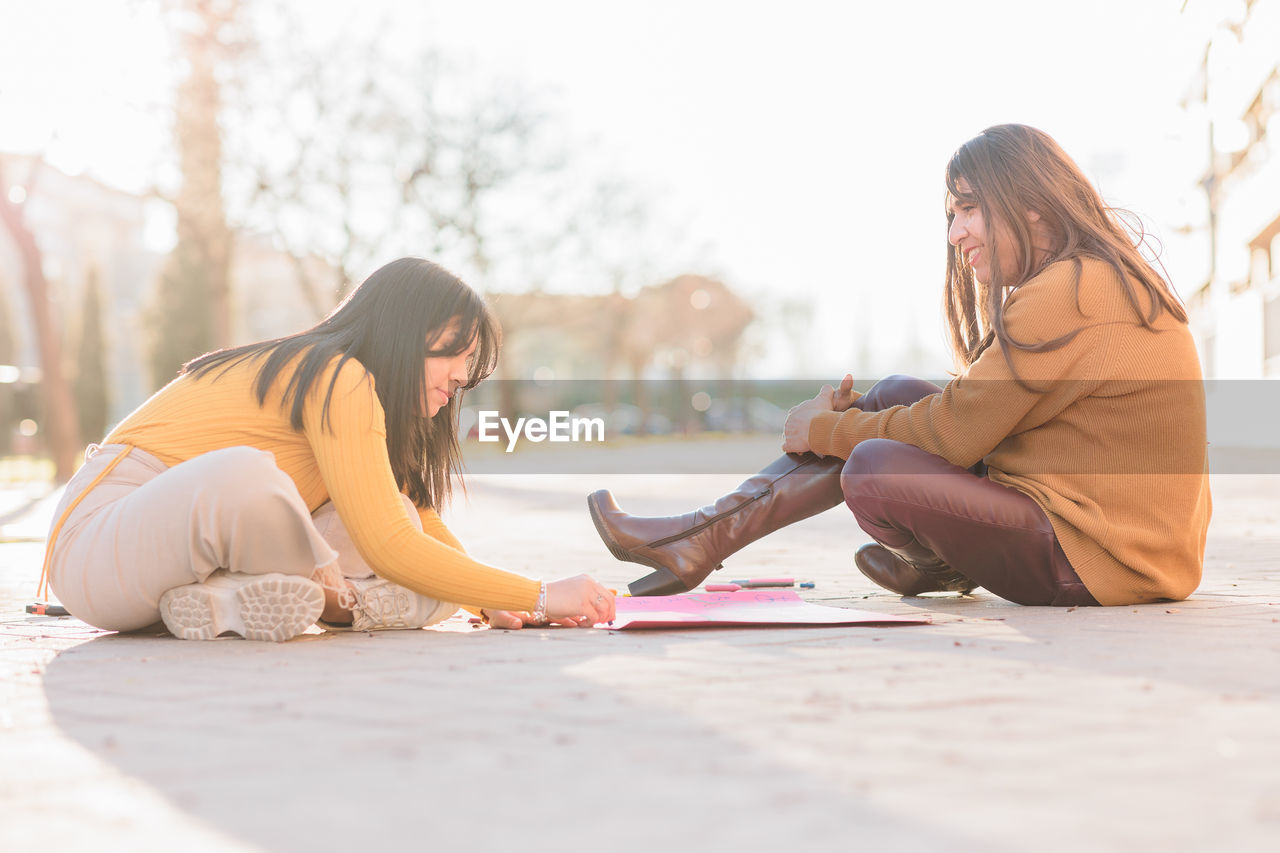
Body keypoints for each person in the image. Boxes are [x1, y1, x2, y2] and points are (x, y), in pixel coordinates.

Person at [589, 124, 1211, 607]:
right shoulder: (1093, 277)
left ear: (1030, 207)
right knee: (892, 395)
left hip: (1104, 559)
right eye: (952, 214)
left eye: (970, 209)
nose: (956, 233)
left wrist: (822, 430)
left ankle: (700, 540)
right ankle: (700, 537)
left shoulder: (1069, 293)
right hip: (1125, 542)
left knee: (873, 467)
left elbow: (954, 433)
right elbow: (970, 415)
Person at [41, 257, 616, 641]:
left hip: (174, 566)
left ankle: (228, 601)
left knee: (410, 549)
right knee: (249, 478)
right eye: (450, 355)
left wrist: (490, 601)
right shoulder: (336, 378)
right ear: (401, 332)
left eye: (467, 370)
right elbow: (390, 547)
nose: (456, 380)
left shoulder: (368, 409)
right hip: (98, 547)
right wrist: (541, 596)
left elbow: (416, 521)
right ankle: (341, 604)